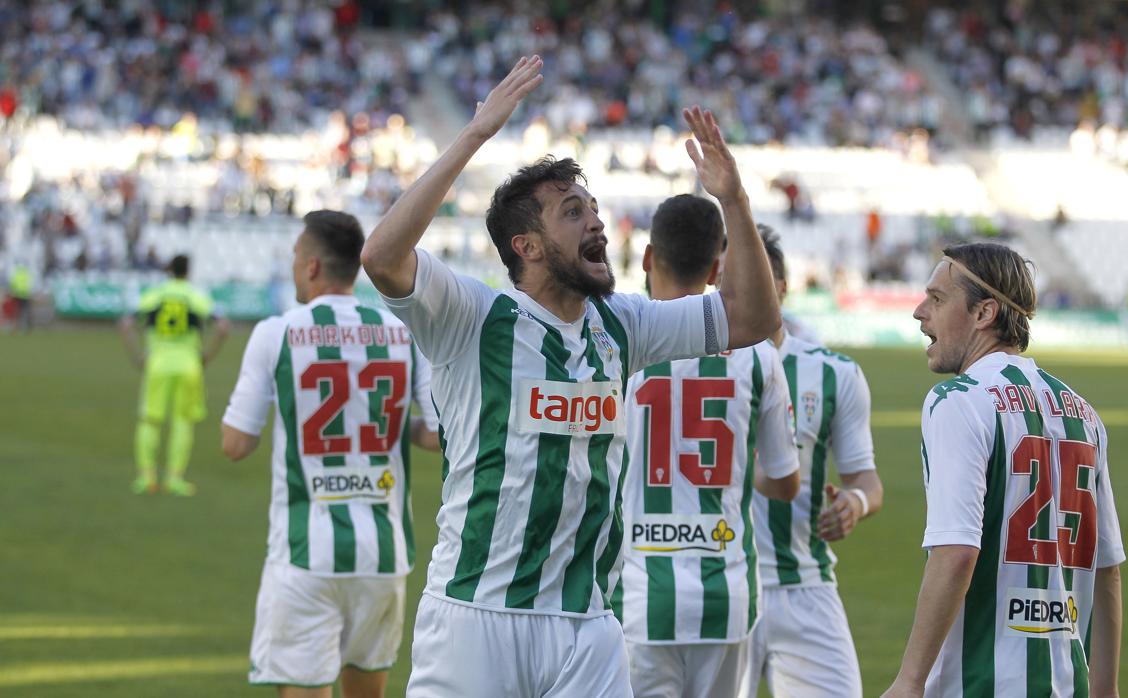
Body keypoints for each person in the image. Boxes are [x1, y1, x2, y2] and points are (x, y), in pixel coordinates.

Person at [360, 55, 782, 697]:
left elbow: (751, 317)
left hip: (587, 625)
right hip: (475, 619)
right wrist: (475, 136)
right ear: (525, 246)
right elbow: (382, 255)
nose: (596, 223)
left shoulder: (624, 326)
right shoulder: (473, 317)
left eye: (592, 209)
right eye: (572, 212)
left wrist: (734, 199)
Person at [884, 242, 1124, 697]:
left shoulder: (957, 401)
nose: (919, 312)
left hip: (979, 685)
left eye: (936, 299)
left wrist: (909, 682)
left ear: (984, 313)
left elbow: (956, 552)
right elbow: (1107, 568)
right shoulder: (1083, 413)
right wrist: (1106, 691)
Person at [219, 210, 440, 698]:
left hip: (306, 555)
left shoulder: (277, 333)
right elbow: (438, 435)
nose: (295, 266)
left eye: (297, 256)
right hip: (382, 555)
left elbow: (236, 444)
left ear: (313, 266)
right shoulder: (401, 334)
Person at [616, 196, 800, 698]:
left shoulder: (614, 343)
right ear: (717, 266)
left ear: (649, 258)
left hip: (640, 598)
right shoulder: (759, 356)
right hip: (726, 597)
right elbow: (785, 483)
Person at [743, 226, 884, 698]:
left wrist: (856, 502)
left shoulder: (834, 373)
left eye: (753, 276)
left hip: (805, 584)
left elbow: (866, 479)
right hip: (721, 581)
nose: (739, 289)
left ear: (780, 288)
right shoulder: (688, 363)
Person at [120, 253, 229, 495]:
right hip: (188, 364)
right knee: (183, 422)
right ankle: (174, 478)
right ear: (188, 271)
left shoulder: (155, 294)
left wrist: (137, 356)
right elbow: (222, 326)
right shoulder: (195, 295)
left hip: (157, 364)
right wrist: (206, 356)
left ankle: (146, 477)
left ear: (168, 269)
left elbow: (126, 324)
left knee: (150, 420)